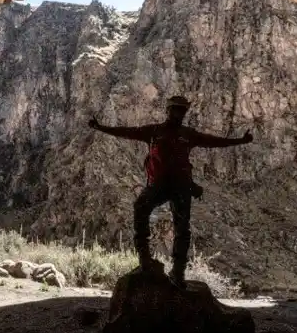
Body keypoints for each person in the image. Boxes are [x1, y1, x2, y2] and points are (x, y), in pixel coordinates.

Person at [88, 95, 253, 287]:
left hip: (182, 186)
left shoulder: (188, 134)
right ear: (168, 110)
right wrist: (100, 128)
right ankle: (145, 260)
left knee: (182, 228)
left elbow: (214, 141)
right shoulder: (154, 131)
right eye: (176, 109)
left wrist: (240, 141)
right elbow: (127, 132)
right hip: (159, 185)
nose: (179, 113)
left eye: (182, 110)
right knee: (140, 208)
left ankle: (178, 272)